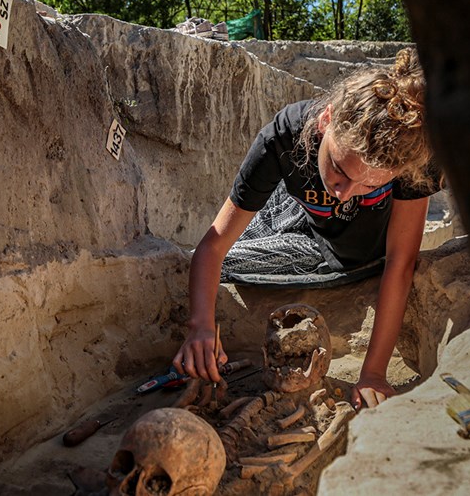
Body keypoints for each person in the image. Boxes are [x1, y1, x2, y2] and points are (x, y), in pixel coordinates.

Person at [173, 48, 441, 410]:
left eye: (370, 186)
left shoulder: (413, 158)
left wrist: (373, 373)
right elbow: (214, 245)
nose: (345, 193)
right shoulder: (283, 136)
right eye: (340, 169)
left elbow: (400, 263)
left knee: (335, 254)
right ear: (325, 120)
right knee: (215, 260)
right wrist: (202, 326)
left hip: (352, 249)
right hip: (299, 219)